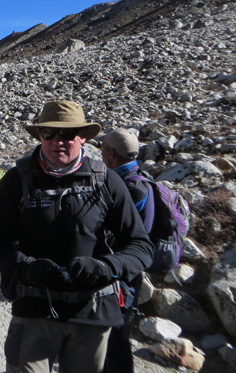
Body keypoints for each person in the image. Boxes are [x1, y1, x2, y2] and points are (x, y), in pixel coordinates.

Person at [0, 101, 153, 373]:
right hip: (34, 308)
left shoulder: (106, 180)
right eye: (49, 132)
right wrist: (25, 267)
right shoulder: (17, 180)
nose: (57, 141)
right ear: (40, 135)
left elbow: (141, 246)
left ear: (83, 136)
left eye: (68, 134)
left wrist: (107, 267)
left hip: (92, 312)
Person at [101, 128, 154, 373]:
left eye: (103, 149)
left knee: (115, 339)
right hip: (129, 268)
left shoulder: (127, 187)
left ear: (111, 153)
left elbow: (114, 233)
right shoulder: (139, 179)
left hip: (121, 273)